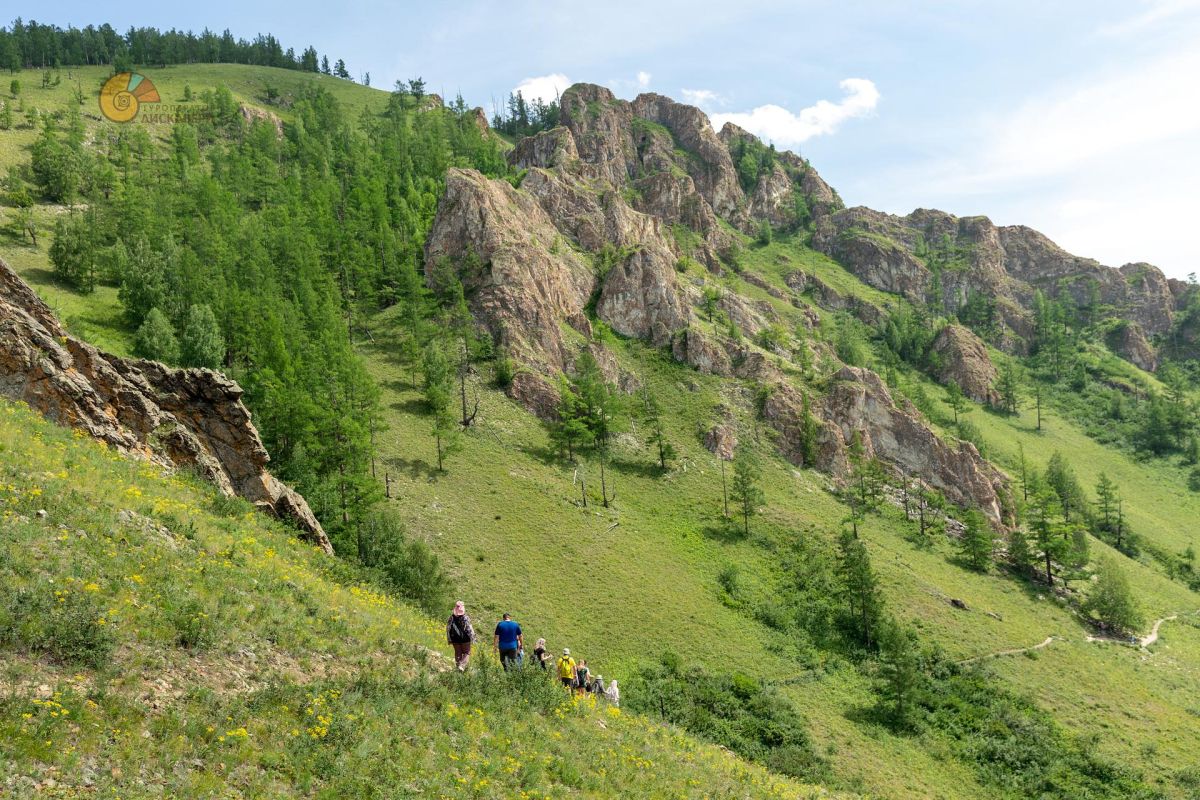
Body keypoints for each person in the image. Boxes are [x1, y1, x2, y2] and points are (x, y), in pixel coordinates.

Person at [446, 600, 475, 671]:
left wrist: (449, 639)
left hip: (454, 638)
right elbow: (469, 629)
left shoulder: (451, 618)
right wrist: (473, 638)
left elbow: (448, 628)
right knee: (467, 652)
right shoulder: (465, 617)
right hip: (465, 638)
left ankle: (458, 667)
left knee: (457, 653)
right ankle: (462, 666)